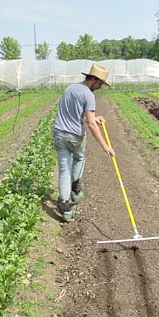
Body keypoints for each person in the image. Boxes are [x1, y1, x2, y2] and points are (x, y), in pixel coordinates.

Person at [53, 63, 116, 222]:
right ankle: (75, 189)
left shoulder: (70, 88)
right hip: (75, 136)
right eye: (100, 83)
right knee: (80, 158)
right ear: (93, 79)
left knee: (63, 169)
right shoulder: (89, 95)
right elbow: (90, 124)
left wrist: (94, 117)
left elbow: (75, 113)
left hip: (59, 133)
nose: (100, 87)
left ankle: (65, 206)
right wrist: (105, 146)